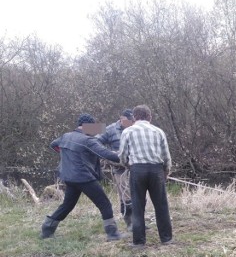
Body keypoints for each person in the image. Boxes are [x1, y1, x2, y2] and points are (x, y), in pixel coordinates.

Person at [41, 114, 124, 241]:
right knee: (104, 203)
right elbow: (107, 155)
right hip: (84, 178)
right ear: (89, 126)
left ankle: (47, 229)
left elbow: (53, 145)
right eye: (94, 127)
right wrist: (127, 155)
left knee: (67, 205)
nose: (96, 130)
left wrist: (66, 153)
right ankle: (112, 233)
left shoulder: (66, 136)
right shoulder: (87, 140)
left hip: (69, 177)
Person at [119, 104, 173, 247]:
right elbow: (166, 155)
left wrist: (128, 166)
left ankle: (139, 242)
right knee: (161, 205)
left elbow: (122, 155)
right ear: (150, 117)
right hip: (157, 170)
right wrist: (166, 171)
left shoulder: (127, 132)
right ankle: (166, 239)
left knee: (138, 206)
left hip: (137, 170)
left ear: (134, 117)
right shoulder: (158, 131)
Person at [96, 109, 135, 229]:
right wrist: (108, 155)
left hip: (136, 166)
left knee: (139, 195)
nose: (133, 123)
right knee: (126, 196)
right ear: (122, 119)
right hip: (119, 168)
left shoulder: (135, 129)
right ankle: (130, 222)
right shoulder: (109, 128)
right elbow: (93, 140)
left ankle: (139, 220)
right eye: (130, 121)